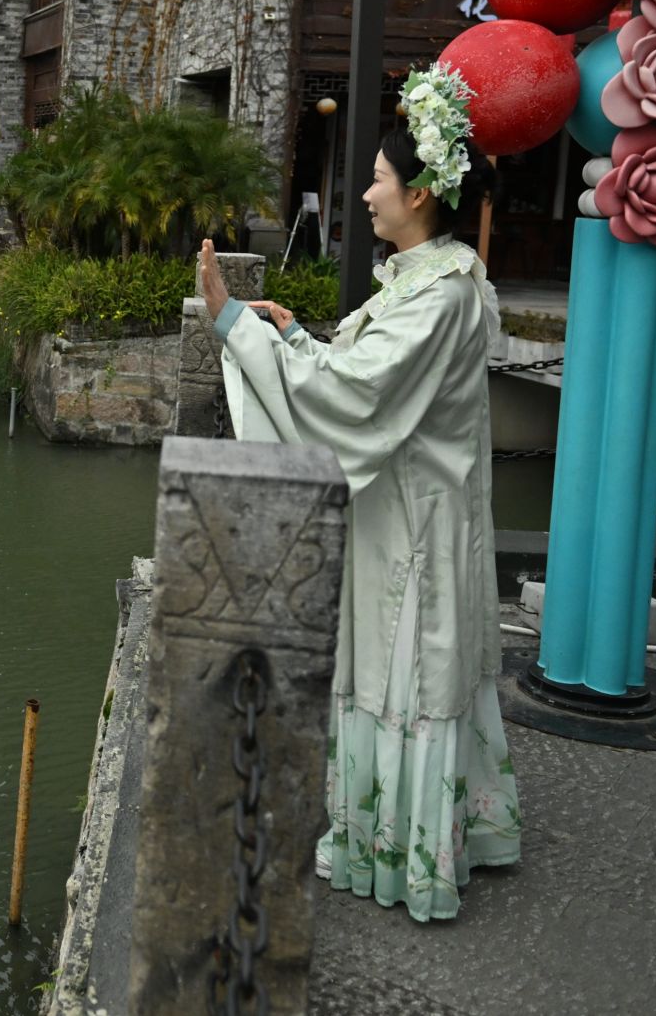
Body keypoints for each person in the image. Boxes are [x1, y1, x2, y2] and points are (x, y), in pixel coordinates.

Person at [201, 70, 517, 924]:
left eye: (377, 179)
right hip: (403, 508)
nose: (367, 193)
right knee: (399, 669)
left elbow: (357, 398)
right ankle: (399, 834)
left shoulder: (440, 292)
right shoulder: (428, 278)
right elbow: (363, 375)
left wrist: (234, 324)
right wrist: (297, 337)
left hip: (412, 520)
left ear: (419, 193)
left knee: (405, 671)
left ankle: (403, 852)